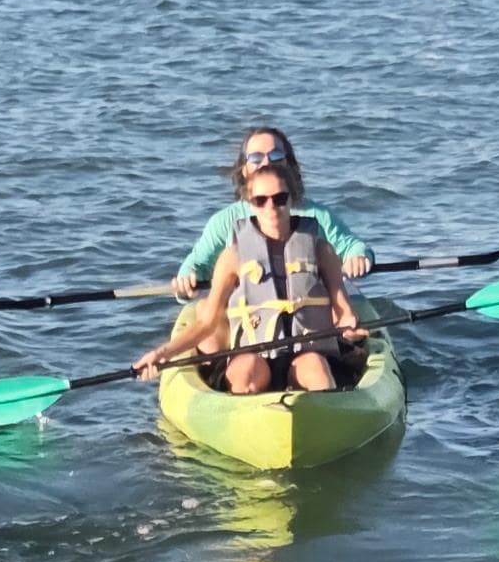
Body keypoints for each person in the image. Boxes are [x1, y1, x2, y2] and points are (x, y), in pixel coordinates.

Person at [137, 164, 366, 395]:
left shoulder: (321, 250)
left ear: (292, 199)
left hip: (309, 353)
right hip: (254, 355)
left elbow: (344, 311)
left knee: (315, 369)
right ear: (249, 202)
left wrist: (350, 329)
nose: (271, 207)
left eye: (279, 198)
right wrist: (162, 354)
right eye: (261, 200)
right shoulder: (233, 256)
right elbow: (207, 323)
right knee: (245, 372)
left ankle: (322, 413)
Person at [172, 127, 373, 295]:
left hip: (308, 309)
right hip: (247, 314)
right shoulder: (225, 221)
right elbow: (198, 262)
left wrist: (358, 257)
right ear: (244, 170)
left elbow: (352, 246)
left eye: (276, 156)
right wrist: (188, 276)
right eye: (256, 158)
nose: (267, 163)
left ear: (289, 165)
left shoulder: (317, 215)